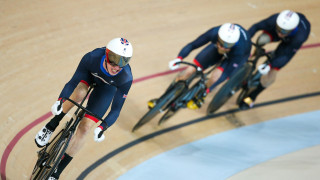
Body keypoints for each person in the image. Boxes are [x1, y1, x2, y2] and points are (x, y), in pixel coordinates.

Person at [35, 38, 133, 179]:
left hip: (106, 89)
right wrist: (60, 100)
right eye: (114, 60)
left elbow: (116, 109)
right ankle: (51, 125)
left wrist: (102, 127)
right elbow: (72, 82)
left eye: (123, 62)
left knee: (85, 128)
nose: (117, 66)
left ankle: (57, 173)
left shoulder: (126, 78)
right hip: (89, 76)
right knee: (79, 93)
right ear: (106, 54)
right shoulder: (92, 57)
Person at [148, 23, 252, 110]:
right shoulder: (214, 33)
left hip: (237, 57)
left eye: (227, 46)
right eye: (221, 43)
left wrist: (208, 89)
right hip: (216, 47)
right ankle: (160, 100)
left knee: (215, 77)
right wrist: (179, 58)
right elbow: (193, 45)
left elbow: (227, 74)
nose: (223, 47)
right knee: (188, 72)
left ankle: (201, 93)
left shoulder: (240, 49)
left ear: (234, 43)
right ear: (218, 37)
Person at [239, 10, 311, 109]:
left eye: (284, 31)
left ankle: (252, 96)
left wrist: (270, 65)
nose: (280, 33)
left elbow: (286, 56)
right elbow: (256, 27)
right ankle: (251, 60)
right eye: (279, 29)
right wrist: (244, 42)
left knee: (271, 75)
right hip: (276, 31)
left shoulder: (300, 36)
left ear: (293, 29)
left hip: (289, 44)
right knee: (261, 40)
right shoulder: (274, 20)